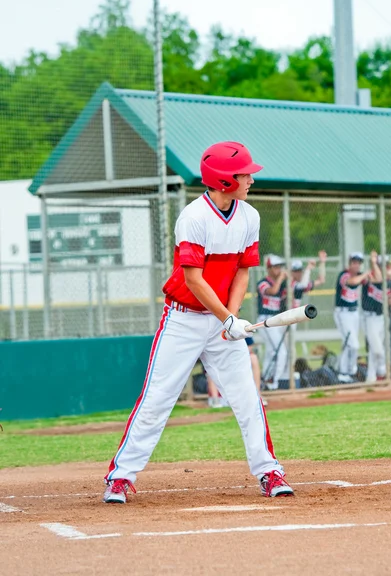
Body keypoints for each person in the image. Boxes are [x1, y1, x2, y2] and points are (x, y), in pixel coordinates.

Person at [103, 141, 293, 503]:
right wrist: (226, 317)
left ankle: (269, 471)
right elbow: (193, 279)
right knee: (157, 399)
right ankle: (120, 477)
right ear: (224, 180)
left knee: (248, 398)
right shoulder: (194, 217)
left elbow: (242, 272)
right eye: (245, 174)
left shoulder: (249, 216)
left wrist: (230, 319)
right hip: (183, 321)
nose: (252, 179)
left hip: (222, 322)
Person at [334, 252, 370, 383]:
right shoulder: (344, 275)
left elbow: (376, 279)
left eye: (359, 263)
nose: (356, 265)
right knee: (352, 344)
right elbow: (352, 282)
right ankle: (345, 372)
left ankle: (348, 372)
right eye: (354, 262)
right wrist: (366, 273)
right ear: (349, 264)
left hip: (354, 313)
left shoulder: (360, 275)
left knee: (351, 344)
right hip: (343, 313)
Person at [256, 255, 288, 389]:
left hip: (276, 320)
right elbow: (272, 291)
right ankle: (275, 383)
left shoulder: (282, 285)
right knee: (281, 352)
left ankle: (266, 379)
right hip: (265, 320)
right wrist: (281, 279)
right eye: (275, 267)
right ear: (268, 269)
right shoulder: (263, 283)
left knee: (271, 351)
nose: (278, 270)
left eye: (279, 267)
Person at [362, 251, 385, 383]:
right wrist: (373, 263)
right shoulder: (369, 276)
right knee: (378, 350)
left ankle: (371, 378)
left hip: (381, 318)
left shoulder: (389, 281)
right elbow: (378, 278)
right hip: (369, 318)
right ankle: (382, 370)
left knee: (373, 350)